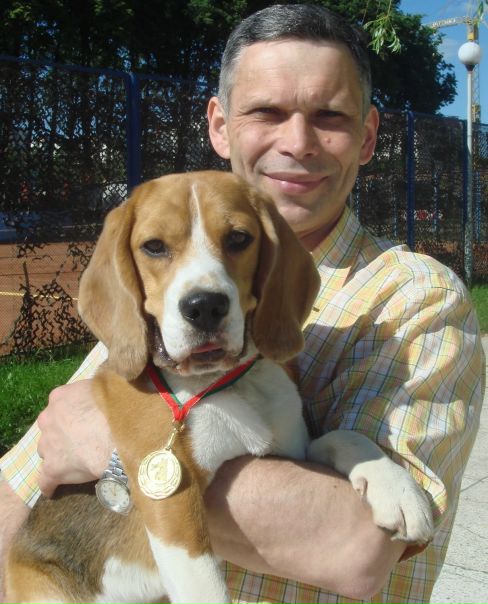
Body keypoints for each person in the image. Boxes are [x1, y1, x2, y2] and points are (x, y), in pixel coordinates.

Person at [0, 4, 485, 603]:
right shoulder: (151, 313)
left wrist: (119, 451)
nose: (297, 143)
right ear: (221, 126)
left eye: (329, 116)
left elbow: (359, 550)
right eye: (267, 112)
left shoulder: (414, 299)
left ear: (366, 137)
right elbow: (21, 490)